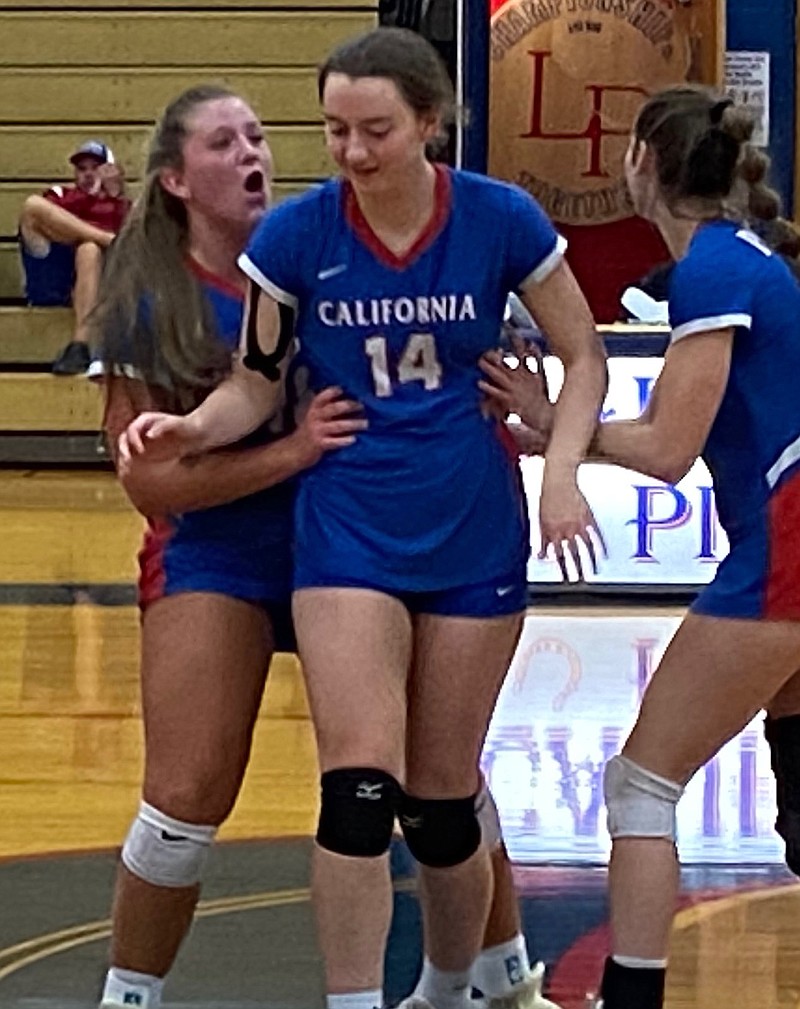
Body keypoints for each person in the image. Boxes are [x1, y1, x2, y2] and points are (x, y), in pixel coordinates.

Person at [123, 27, 606, 1009]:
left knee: (440, 797)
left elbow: (584, 353)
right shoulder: (296, 236)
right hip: (347, 526)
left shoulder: (498, 218)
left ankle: (446, 989)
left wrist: (560, 470)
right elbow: (255, 386)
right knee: (356, 789)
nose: (349, 150)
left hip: (471, 522)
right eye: (335, 129)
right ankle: (349, 1001)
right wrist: (191, 421)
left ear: (428, 122)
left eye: (374, 129)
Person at [481, 85, 800, 1009]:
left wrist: (556, 431)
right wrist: (559, 435)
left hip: (783, 545)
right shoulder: (742, 258)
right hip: (782, 536)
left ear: (642, 163)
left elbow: (667, 448)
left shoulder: (712, 272)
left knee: (640, 787)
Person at [88, 84, 365, 1009]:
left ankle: (495, 976)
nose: (254, 151)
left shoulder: (318, 257)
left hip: (347, 541)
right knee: (184, 802)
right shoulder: (149, 298)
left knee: (426, 783)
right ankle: (130, 994)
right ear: (177, 178)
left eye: (258, 132)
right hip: (217, 551)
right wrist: (289, 451)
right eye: (223, 140)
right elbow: (151, 485)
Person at [18, 139, 131, 375]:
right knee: (32, 205)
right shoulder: (61, 194)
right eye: (82, 169)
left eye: (95, 167)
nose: (88, 174)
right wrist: (97, 207)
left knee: (89, 249)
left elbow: (131, 242)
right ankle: (103, 238)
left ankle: (80, 344)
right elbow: (39, 213)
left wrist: (115, 196)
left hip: (97, 282)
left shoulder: (119, 204)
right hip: (52, 275)